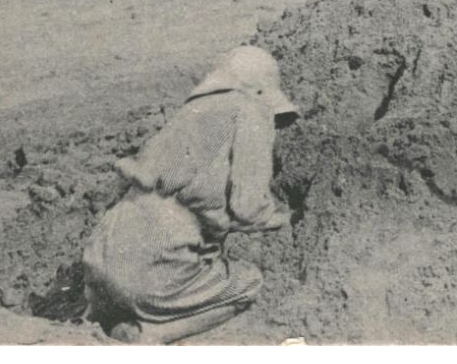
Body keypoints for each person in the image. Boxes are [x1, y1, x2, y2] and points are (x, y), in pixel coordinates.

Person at [82, 46, 299, 343]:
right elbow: (247, 207)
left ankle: (110, 319)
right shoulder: (251, 109)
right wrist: (282, 220)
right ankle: (151, 334)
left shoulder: (190, 112)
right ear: (262, 89)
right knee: (247, 283)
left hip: (102, 253)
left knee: (137, 289)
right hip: (157, 258)